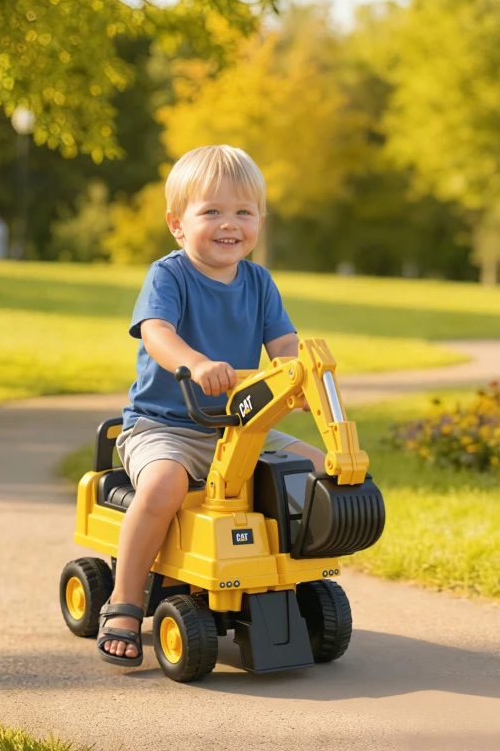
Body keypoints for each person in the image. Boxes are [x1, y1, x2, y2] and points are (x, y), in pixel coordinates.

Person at [98, 145, 327, 666]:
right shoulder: (169, 276)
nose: (231, 224)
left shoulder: (259, 282)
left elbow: (285, 345)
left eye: (244, 212)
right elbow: (156, 333)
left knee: (312, 470)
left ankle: (288, 580)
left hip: (240, 427)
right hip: (165, 426)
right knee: (162, 486)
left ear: (260, 221)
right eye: (213, 212)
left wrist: (296, 383)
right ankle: (127, 601)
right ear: (178, 224)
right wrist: (196, 365)